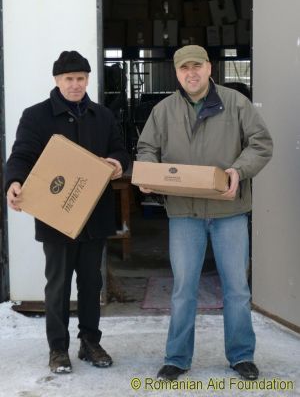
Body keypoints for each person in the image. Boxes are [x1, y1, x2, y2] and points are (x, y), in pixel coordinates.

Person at [137, 45, 273, 381]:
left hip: (229, 211)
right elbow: (146, 149)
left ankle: (241, 355)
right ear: (177, 72)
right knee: (184, 288)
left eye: (197, 66)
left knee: (237, 288)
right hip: (184, 213)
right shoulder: (164, 110)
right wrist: (150, 174)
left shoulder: (236, 103)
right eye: (184, 69)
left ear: (210, 68)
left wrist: (238, 171)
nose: (191, 74)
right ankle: (177, 358)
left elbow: (260, 143)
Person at [5, 51, 130, 374]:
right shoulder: (36, 117)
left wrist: (117, 163)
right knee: (58, 285)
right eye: (69, 79)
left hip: (95, 215)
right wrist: (14, 182)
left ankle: (90, 342)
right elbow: (21, 156)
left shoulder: (102, 116)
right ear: (57, 81)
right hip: (55, 216)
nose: (75, 85)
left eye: (81, 78)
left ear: (88, 79)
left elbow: (120, 148)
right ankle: (58, 349)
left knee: (91, 283)